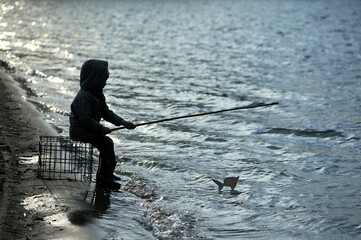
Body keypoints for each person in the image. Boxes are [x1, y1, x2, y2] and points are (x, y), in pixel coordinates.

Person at [69, 59, 135, 189]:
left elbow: (106, 112)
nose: (105, 83)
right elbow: (85, 119)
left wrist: (122, 122)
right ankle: (104, 178)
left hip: (90, 130)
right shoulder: (84, 96)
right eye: (103, 80)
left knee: (107, 144)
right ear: (93, 79)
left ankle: (106, 174)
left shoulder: (97, 95)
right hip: (81, 131)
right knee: (106, 144)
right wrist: (100, 128)